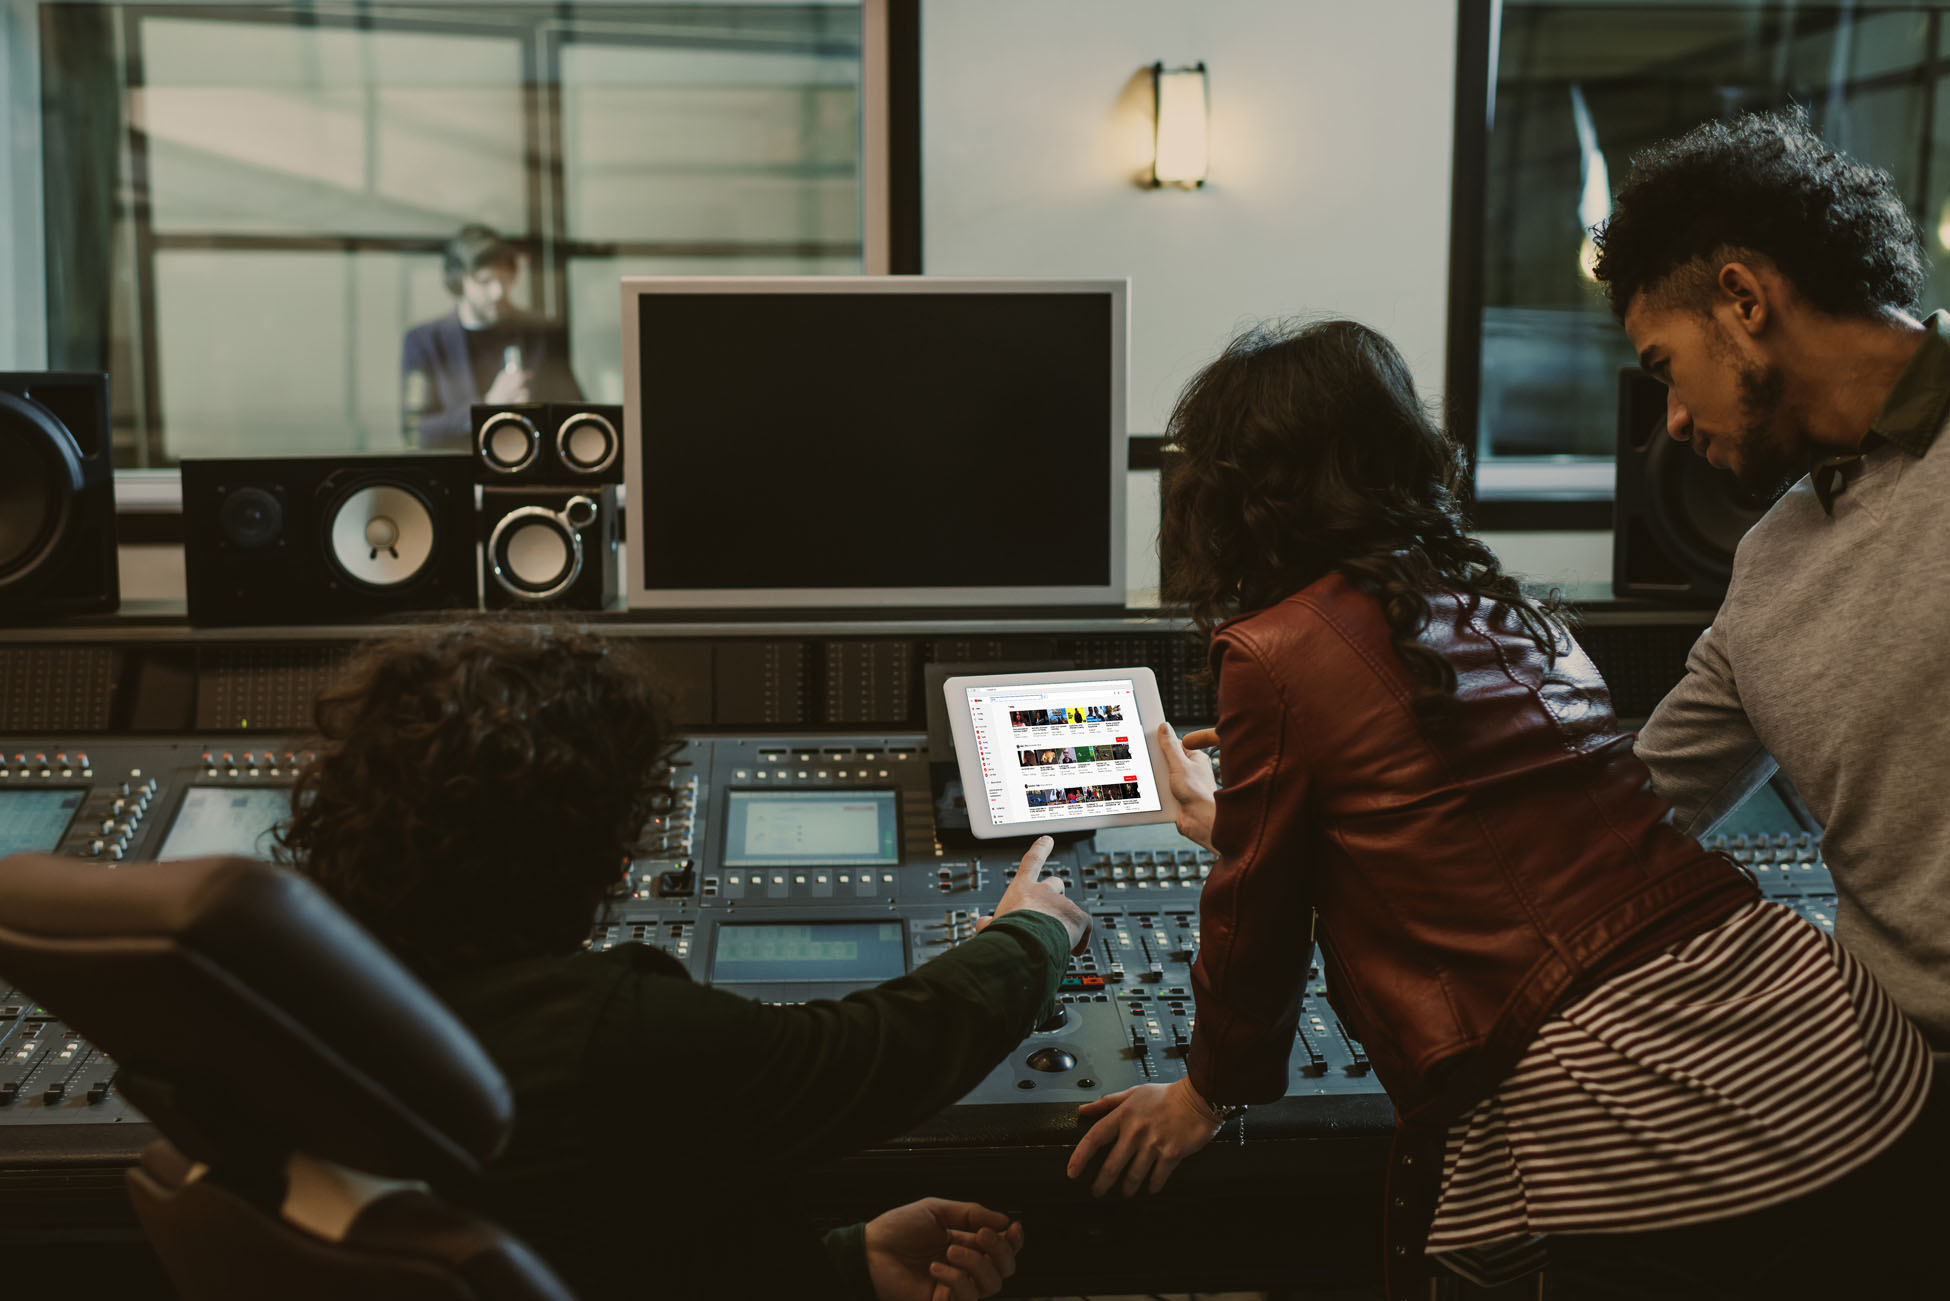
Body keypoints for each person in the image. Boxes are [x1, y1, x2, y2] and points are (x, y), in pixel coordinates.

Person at [1062, 320, 1938, 1299]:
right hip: (1838, 1038)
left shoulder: (1272, 648)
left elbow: (1256, 913)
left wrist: (1206, 1093)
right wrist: (1231, 819)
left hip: (1629, 1102)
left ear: (1234, 491)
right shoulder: (1518, 614)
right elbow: (1474, 824)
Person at [273, 619, 1092, 1301]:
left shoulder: (284, 989)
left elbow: (585, 1246)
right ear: (574, 845)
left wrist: (839, 1264)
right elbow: (873, 1051)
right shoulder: (604, 1032)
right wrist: (1031, 929)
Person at [1589, 108, 1950, 1062]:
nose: (1669, 418)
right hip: (1894, 1088)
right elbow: (1621, 820)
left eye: (1664, 366)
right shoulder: (1772, 560)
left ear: (1744, 300)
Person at [402, 225, 585, 451]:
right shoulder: (425, 341)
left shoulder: (543, 333)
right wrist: (488, 405)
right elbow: (416, 429)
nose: (498, 291)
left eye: (504, 279)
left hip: (532, 466)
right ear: (459, 281)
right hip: (461, 472)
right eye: (484, 281)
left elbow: (575, 411)